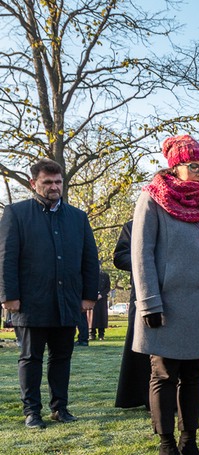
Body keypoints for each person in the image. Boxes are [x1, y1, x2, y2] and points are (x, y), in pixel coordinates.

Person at [132, 135, 199, 455]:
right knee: (163, 374)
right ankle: (166, 444)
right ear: (176, 166)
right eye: (195, 167)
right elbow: (141, 253)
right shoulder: (151, 199)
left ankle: (189, 441)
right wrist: (149, 302)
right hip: (165, 303)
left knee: (195, 373)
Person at [0, 158, 99, 428]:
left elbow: (90, 259)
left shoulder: (78, 217)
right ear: (34, 184)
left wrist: (89, 295)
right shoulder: (16, 213)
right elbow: (6, 258)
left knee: (62, 358)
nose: (54, 187)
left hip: (67, 301)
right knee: (30, 358)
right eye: (48, 182)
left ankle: (60, 408)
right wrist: (9, 295)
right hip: (30, 301)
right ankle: (32, 411)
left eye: (58, 182)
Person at [113, 220, 151, 410]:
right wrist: (145, 260)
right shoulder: (132, 225)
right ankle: (140, 395)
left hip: (174, 293)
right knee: (140, 345)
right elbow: (120, 257)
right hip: (143, 293)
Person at [89, 265, 111, 340]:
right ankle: (92, 334)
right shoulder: (89, 275)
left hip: (102, 299)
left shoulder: (105, 276)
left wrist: (101, 295)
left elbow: (108, 287)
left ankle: (101, 334)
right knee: (92, 317)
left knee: (102, 317)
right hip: (92, 299)